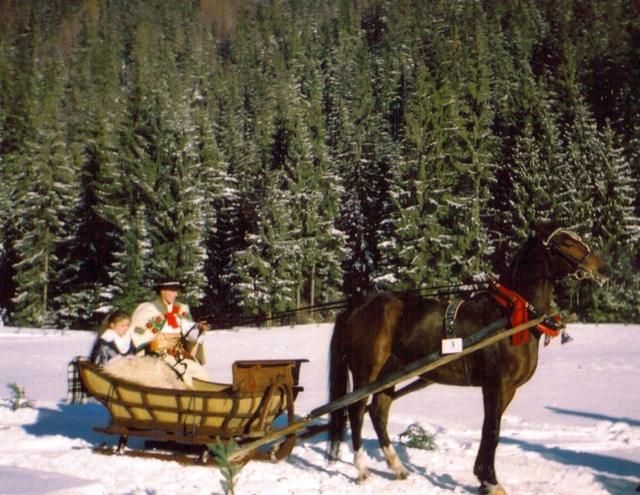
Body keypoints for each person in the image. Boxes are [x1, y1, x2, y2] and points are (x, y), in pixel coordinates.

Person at [129, 279, 210, 387]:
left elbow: (189, 332)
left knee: (202, 375)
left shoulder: (180, 309)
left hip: (180, 354)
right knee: (183, 375)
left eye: (176, 291)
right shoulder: (149, 309)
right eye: (172, 290)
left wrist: (198, 329)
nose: (176, 294)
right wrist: (154, 329)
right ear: (162, 291)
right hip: (158, 355)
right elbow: (137, 331)